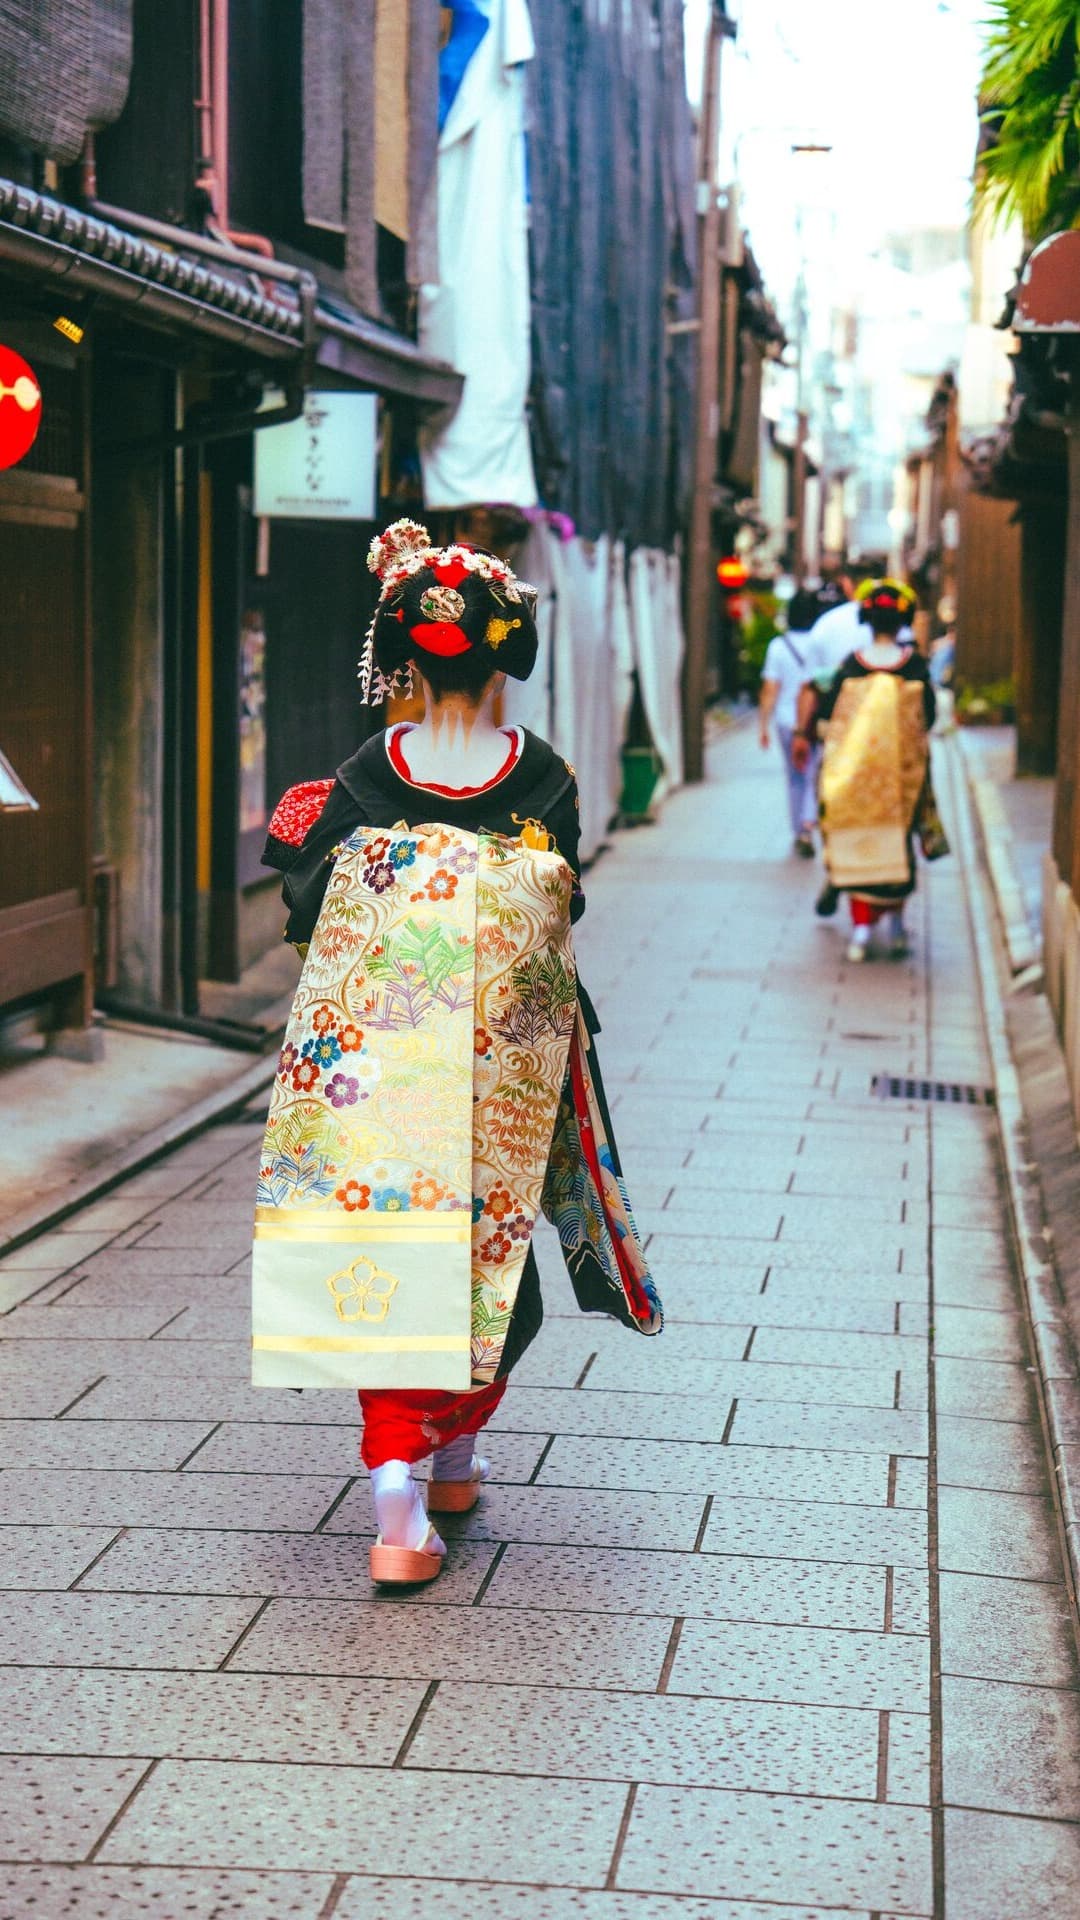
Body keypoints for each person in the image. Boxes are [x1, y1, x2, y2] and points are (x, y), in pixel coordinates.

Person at [259, 519, 660, 1587]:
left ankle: (423, 1474)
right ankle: (428, 1471)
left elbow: (308, 915)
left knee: (388, 1253)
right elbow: (561, 900)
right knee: (491, 1258)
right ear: (507, 655)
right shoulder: (544, 778)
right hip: (500, 1072)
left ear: (398, 652)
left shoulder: (358, 775)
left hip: (374, 1073)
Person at [815, 579, 936, 962]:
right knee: (899, 843)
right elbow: (927, 718)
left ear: (867, 620)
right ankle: (897, 926)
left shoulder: (852, 665)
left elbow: (827, 717)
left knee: (855, 838)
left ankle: (862, 926)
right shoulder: (914, 667)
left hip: (854, 773)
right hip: (900, 774)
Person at [758, 588, 822, 857]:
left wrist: (763, 725)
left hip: (785, 721)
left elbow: (771, 688)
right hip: (815, 719)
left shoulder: (778, 646)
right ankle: (809, 823)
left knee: (794, 776)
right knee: (813, 774)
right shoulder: (821, 642)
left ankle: (799, 830)